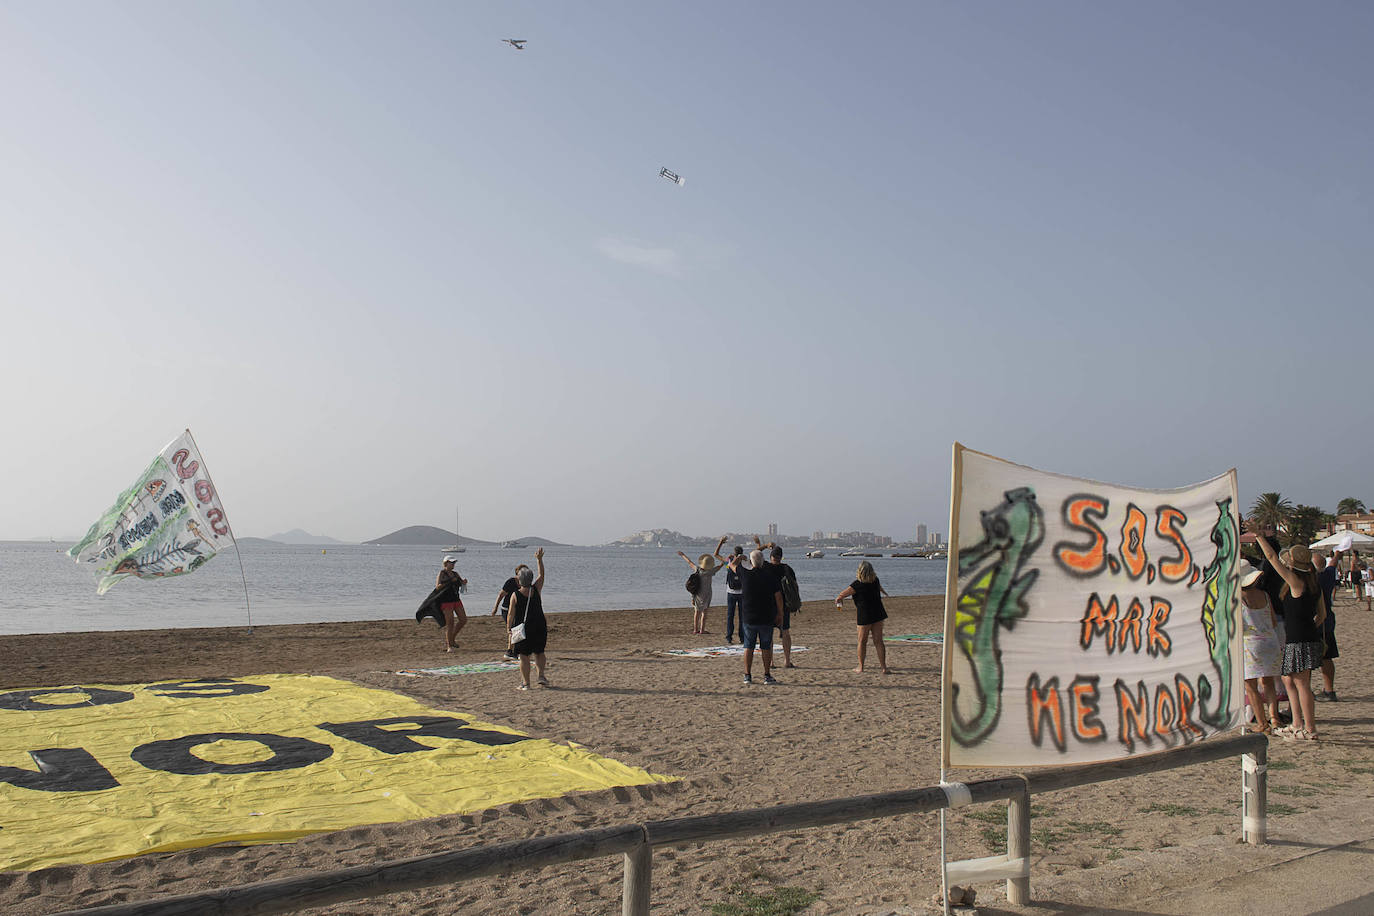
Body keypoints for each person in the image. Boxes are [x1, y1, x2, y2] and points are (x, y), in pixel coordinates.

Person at [1253, 537, 1327, 740]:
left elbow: (1271, 557)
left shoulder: (1297, 583)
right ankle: (1297, 723)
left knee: (1301, 683)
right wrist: (1308, 627)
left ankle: (1309, 729)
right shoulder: (1314, 585)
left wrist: (1258, 536)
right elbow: (1322, 616)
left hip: (1299, 639)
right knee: (1288, 679)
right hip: (1305, 636)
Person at [1238, 561, 1283, 734]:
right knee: (1268, 682)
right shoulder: (1264, 595)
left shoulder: (1238, 598)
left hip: (1250, 643)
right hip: (1270, 641)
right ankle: (1275, 718)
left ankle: (1262, 722)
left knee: (1250, 686)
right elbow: (1272, 620)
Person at [733, 549, 782, 685]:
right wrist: (780, 613)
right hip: (766, 616)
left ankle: (747, 675)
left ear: (751, 562)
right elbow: (778, 597)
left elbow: (731, 565)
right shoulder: (770, 576)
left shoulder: (745, 574)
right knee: (765, 646)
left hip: (749, 617)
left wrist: (739, 558)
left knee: (749, 646)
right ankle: (766, 674)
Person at [835, 560, 890, 674]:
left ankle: (861, 667)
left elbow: (842, 595)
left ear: (860, 571)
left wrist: (839, 601)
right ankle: (884, 667)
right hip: (878, 613)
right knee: (879, 641)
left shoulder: (857, 584)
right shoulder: (875, 581)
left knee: (862, 641)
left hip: (865, 615)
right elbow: (880, 588)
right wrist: (885, 593)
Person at [506, 549, 548, 690]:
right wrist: (539, 560)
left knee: (523, 656)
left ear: (519, 580)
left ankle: (526, 683)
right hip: (539, 625)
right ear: (530, 579)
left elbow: (511, 614)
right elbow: (542, 575)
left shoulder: (515, 595)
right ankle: (541, 676)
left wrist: (508, 628)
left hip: (523, 628)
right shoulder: (536, 589)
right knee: (539, 652)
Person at [678, 536, 728, 635]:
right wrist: (727, 558)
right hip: (707, 593)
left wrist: (683, 555)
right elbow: (722, 564)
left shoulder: (697, 570)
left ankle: (695, 629)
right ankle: (702, 629)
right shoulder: (711, 571)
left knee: (697, 612)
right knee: (705, 612)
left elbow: (689, 562)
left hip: (697, 594)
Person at [762, 543, 800, 668]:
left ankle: (771, 662)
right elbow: (794, 586)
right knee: (785, 632)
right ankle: (787, 660)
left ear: (771, 556)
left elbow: (754, 555)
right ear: (781, 557)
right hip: (785, 605)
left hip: (769, 604)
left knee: (769, 633)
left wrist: (764, 545)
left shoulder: (766, 567)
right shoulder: (787, 568)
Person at [493, 563, 531, 659]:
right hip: (507, 609)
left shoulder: (526, 583)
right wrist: (495, 608)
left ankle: (515, 650)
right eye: (521, 573)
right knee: (513, 628)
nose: (523, 574)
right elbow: (501, 595)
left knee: (518, 628)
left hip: (518, 609)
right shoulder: (511, 582)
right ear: (517, 574)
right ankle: (510, 651)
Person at [1316, 552, 1340, 702]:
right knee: (1327, 657)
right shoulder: (1328, 575)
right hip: (1328, 622)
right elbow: (1333, 564)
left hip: (1314, 622)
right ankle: (1329, 689)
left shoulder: (1311, 579)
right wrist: (1338, 554)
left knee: (1309, 660)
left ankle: (1311, 690)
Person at [435, 555, 468, 652]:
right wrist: (449, 581)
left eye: (454, 563)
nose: (453, 564)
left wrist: (464, 582)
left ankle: (452, 638)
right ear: (446, 563)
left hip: (456, 599)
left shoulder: (455, 573)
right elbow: (438, 587)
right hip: (446, 601)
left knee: (463, 620)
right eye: (451, 562)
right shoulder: (442, 573)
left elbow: (461, 582)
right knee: (450, 623)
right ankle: (449, 645)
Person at [723, 545, 746, 644]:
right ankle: (742, 637)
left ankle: (729, 637)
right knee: (742, 616)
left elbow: (716, 555)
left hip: (731, 592)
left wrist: (721, 543)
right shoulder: (745, 561)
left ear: (734, 552)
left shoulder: (729, 560)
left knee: (730, 615)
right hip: (742, 592)